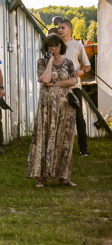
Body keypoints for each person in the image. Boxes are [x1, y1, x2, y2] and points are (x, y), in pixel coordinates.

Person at [27, 34, 78, 187]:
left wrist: (55, 83)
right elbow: (44, 79)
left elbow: (73, 80)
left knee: (65, 139)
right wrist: (50, 61)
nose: (53, 48)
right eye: (50, 45)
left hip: (65, 107)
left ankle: (64, 176)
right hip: (47, 107)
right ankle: (40, 177)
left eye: (56, 45)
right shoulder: (42, 62)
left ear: (61, 46)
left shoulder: (68, 62)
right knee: (44, 137)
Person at [55, 18, 92, 157]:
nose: (60, 30)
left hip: (74, 87)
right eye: (59, 28)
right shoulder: (55, 45)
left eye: (62, 28)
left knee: (78, 118)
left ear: (70, 29)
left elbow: (88, 66)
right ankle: (61, 151)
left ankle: (83, 150)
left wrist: (81, 72)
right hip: (59, 88)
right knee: (60, 119)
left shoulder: (77, 46)